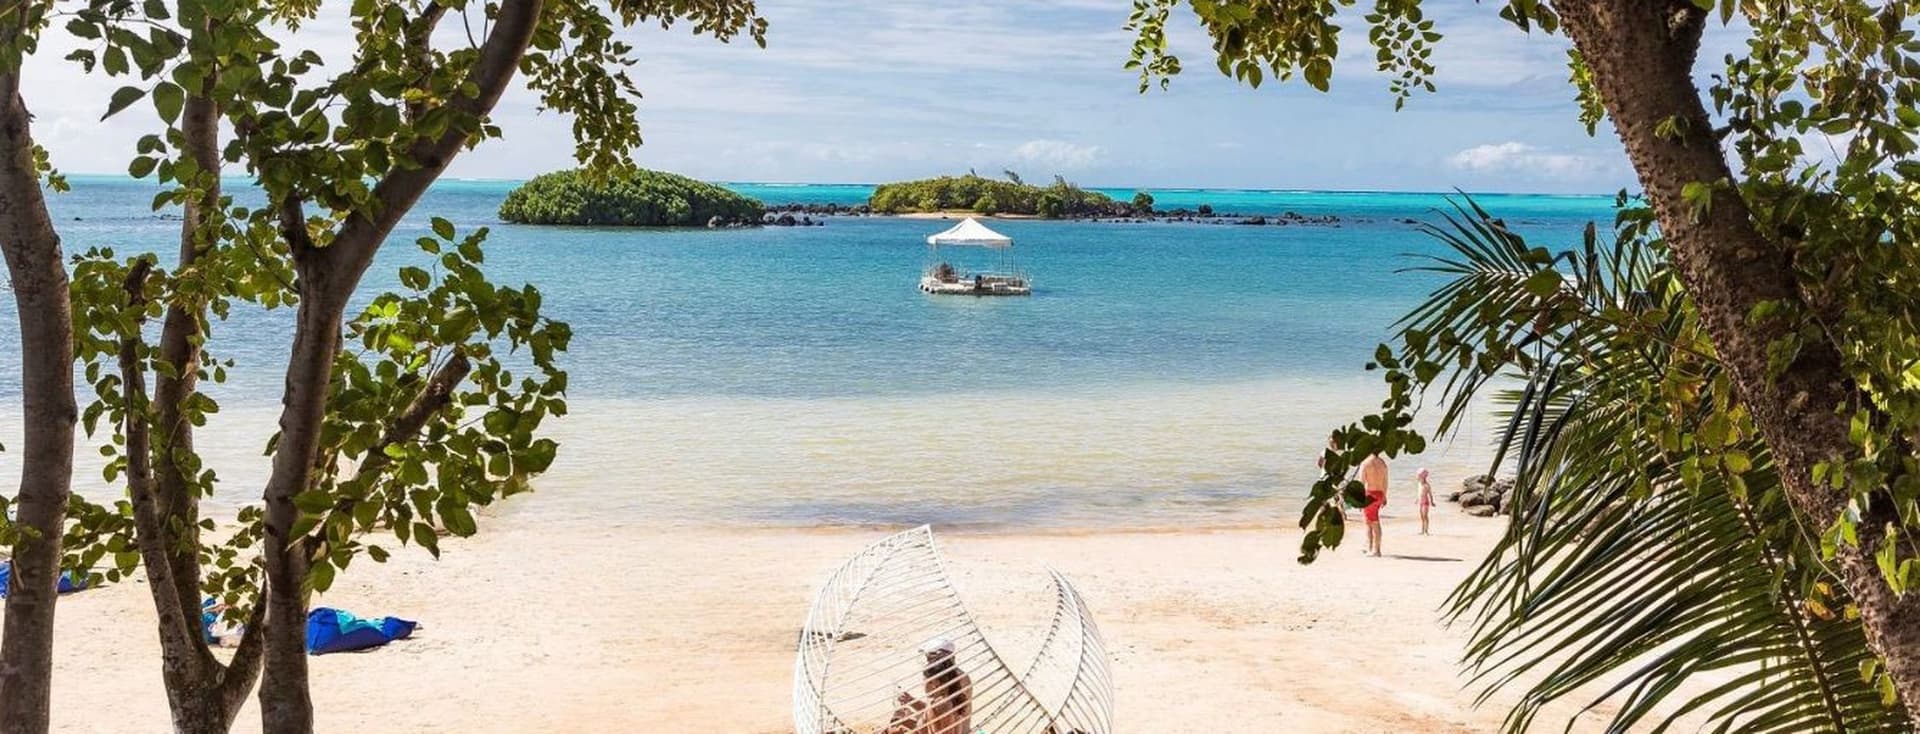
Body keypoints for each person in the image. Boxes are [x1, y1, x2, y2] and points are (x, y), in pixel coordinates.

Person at [920, 638, 973, 734]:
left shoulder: (956, 680)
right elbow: (933, 709)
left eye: (930, 656)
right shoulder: (957, 677)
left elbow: (940, 711)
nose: (927, 660)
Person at [1359, 453, 1389, 557]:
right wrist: (1384, 496)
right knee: (1368, 521)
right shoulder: (1382, 463)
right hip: (1379, 493)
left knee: (1374, 522)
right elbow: (1385, 481)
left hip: (1370, 494)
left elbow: (1361, 483)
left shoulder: (1365, 463)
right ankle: (1370, 547)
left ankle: (1377, 550)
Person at [1415, 467, 1434, 536]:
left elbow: (1430, 494)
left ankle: (1426, 531)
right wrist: (1417, 500)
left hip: (1425, 503)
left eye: (1419, 476)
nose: (1417, 477)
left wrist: (1432, 502)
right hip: (1420, 502)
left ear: (1423, 477)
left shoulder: (1426, 485)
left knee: (1425, 516)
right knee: (1422, 517)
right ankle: (1422, 530)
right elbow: (1419, 493)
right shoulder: (1419, 484)